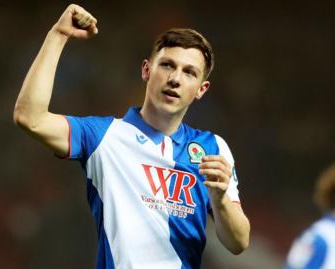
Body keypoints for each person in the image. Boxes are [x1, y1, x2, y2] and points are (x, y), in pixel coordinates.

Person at [13, 4, 250, 269]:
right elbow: (29, 118)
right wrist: (57, 35)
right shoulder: (103, 137)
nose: (174, 78)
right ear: (146, 70)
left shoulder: (213, 148)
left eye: (189, 72)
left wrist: (220, 200)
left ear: (201, 89)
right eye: (167, 65)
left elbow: (238, 243)